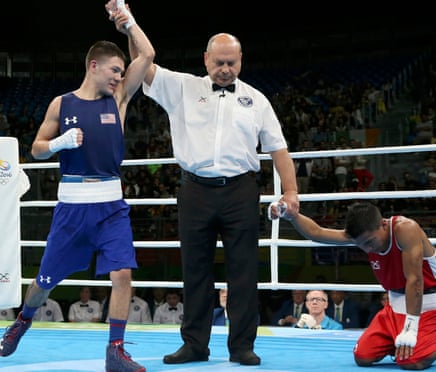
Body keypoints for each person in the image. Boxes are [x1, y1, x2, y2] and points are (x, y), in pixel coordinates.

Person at [127, 20, 299, 366]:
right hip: (195, 191)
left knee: (244, 272)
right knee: (195, 271)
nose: (224, 69)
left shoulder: (257, 100)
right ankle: (194, 344)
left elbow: (278, 149)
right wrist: (129, 27)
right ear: (206, 59)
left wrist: (291, 191)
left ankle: (242, 347)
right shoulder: (183, 87)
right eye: (219, 62)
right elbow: (143, 66)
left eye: (231, 63)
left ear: (240, 61)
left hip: (240, 191)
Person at [0, 2, 155, 371]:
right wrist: (59, 143)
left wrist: (127, 21)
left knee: (123, 274)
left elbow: (147, 53)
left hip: (111, 206)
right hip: (71, 208)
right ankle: (23, 320)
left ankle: (114, 350)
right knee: (44, 282)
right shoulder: (61, 103)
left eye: (122, 71)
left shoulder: (117, 99)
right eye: (115, 70)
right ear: (94, 66)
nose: (120, 76)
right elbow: (36, 149)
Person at [269, 201, 436, 369]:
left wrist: (411, 328)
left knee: (412, 362)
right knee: (363, 357)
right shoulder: (362, 236)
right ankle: (404, 345)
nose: (368, 248)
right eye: (362, 245)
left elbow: (415, 280)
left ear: (382, 224)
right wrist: (291, 215)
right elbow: (317, 232)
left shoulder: (406, 229)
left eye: (370, 242)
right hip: (394, 309)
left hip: (428, 307)